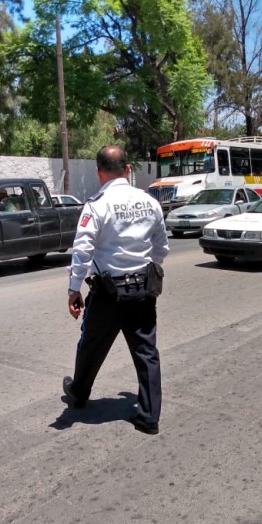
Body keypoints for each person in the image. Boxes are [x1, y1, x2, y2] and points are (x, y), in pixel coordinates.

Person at [62, 145, 169, 435]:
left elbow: (82, 250)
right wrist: (148, 270)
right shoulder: (149, 202)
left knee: (90, 345)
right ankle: (149, 418)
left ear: (99, 172)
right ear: (128, 169)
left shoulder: (97, 204)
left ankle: (79, 392)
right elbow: (161, 246)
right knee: (146, 352)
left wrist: (74, 290)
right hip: (143, 291)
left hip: (108, 293)